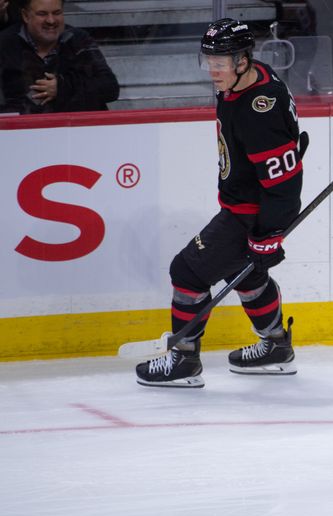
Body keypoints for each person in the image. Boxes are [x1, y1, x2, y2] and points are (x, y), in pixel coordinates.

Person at [136, 18, 306, 388]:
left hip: (248, 214)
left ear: (243, 60)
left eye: (221, 62)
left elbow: (285, 184)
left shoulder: (259, 109)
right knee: (244, 273)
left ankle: (183, 360)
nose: (212, 71)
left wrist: (269, 234)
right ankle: (276, 346)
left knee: (187, 271)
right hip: (244, 206)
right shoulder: (246, 80)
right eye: (208, 61)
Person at [0, 0, 119, 114]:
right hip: (21, 130)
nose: (51, 20)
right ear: (25, 16)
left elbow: (110, 88)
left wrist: (62, 88)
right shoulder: (5, 44)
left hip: (78, 129)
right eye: (42, 14)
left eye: (57, 13)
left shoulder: (78, 40)